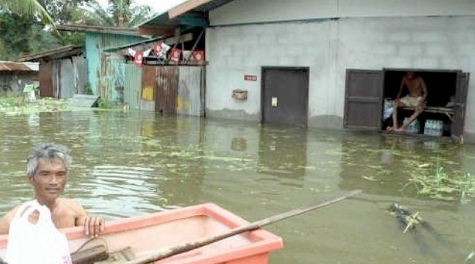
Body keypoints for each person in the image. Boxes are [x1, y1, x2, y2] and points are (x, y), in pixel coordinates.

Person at [0, 143, 105, 238]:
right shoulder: (12, 221)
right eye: (45, 174)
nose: (54, 182)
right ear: (30, 178)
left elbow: (87, 225)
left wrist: (94, 222)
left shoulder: (73, 210)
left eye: (60, 174)